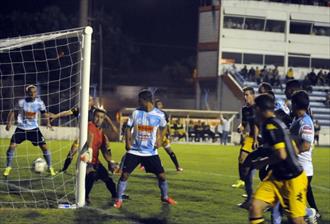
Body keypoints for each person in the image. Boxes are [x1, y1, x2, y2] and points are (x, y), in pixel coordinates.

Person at [244, 94, 308, 224]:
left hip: (292, 179)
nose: (253, 111)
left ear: (260, 109)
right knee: (255, 207)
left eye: (255, 108)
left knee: (297, 220)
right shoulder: (274, 122)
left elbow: (282, 155)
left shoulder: (271, 126)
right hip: (276, 177)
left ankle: (309, 214)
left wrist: (261, 162)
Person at [114, 90, 177, 209]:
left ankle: (165, 196)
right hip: (134, 151)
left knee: (162, 176)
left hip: (151, 152)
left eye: (139, 100)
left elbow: (164, 127)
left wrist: (160, 139)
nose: (138, 102)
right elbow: (128, 128)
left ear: (145, 100)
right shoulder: (136, 113)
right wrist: (127, 142)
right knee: (124, 175)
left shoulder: (159, 114)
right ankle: (119, 199)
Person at [271, 90, 320, 224]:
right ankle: (309, 212)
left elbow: (306, 145)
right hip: (295, 168)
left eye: (292, 103)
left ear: (296, 104)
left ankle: (310, 212)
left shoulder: (305, 122)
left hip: (301, 170)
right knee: (285, 205)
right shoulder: (298, 119)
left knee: (281, 205)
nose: (291, 106)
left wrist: (287, 154)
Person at [49, 96, 118, 172]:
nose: (88, 101)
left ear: (92, 102)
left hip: (95, 135)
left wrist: (113, 126)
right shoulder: (79, 110)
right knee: (72, 151)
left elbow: (106, 117)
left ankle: (110, 164)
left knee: (106, 144)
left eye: (90, 100)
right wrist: (55, 116)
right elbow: (66, 112)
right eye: (87, 100)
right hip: (83, 136)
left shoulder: (94, 110)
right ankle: (64, 169)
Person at [3, 85, 56, 176]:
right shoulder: (21, 102)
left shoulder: (40, 103)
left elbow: (44, 113)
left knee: (44, 147)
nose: (33, 94)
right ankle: (8, 167)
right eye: (31, 92)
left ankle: (50, 167)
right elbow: (13, 112)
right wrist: (9, 123)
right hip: (21, 128)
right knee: (11, 147)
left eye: (34, 92)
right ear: (27, 93)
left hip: (34, 129)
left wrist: (48, 122)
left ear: (36, 93)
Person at [84, 107, 118, 205]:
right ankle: (85, 198)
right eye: (97, 116)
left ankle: (116, 196)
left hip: (95, 162)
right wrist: (89, 163)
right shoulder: (89, 126)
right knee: (91, 176)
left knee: (108, 179)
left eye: (102, 117)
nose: (99, 119)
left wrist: (110, 162)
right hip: (86, 161)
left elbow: (103, 149)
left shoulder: (101, 132)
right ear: (93, 116)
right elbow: (90, 138)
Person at [232, 87, 257, 210]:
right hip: (251, 137)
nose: (245, 97)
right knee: (242, 159)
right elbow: (245, 123)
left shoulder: (258, 107)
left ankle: (252, 197)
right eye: (244, 95)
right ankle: (249, 195)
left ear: (253, 95)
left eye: (247, 95)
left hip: (261, 138)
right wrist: (241, 127)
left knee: (258, 170)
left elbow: (259, 124)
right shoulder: (245, 109)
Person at [154, 99, 183, 172]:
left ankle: (178, 166)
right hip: (154, 137)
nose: (158, 106)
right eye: (157, 105)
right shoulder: (152, 113)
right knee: (150, 152)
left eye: (160, 105)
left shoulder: (164, 114)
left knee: (170, 151)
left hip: (163, 137)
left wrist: (169, 135)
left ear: (162, 106)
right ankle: (144, 165)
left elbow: (167, 125)